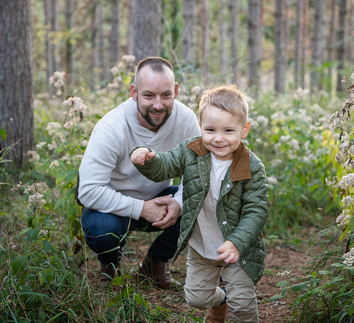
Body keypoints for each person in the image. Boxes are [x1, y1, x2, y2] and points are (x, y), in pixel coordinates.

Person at [131, 85, 268, 322]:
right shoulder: (192, 151)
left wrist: (237, 242)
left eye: (228, 130)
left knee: (243, 303)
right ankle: (220, 300)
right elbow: (166, 164)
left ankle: (236, 301)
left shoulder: (252, 167)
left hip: (238, 248)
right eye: (210, 129)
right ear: (200, 125)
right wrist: (148, 159)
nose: (218, 138)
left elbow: (256, 211)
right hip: (202, 244)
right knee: (196, 298)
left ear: (244, 129)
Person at [77, 56, 200, 289]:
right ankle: (110, 267)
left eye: (165, 95)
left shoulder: (186, 120)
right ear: (134, 92)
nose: (157, 104)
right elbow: (88, 191)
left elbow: (197, 174)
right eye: (148, 95)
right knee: (103, 229)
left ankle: (155, 264)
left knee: (203, 201)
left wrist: (180, 203)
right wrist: (141, 209)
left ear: (175, 90)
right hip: (112, 208)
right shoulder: (111, 127)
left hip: (160, 197)